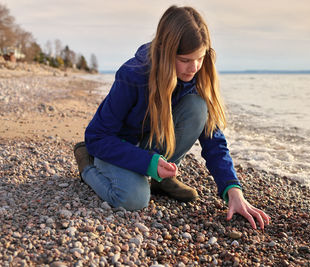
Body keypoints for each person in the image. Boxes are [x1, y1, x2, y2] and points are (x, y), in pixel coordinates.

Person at [74, 5, 270, 229]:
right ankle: (86, 165)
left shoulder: (198, 73)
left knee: (198, 107)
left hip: (150, 145)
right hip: (116, 148)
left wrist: (232, 190)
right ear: (166, 52)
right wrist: (147, 162)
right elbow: (97, 136)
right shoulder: (133, 75)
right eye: (185, 60)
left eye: (200, 58)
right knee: (133, 199)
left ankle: (162, 180)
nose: (194, 67)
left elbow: (213, 139)